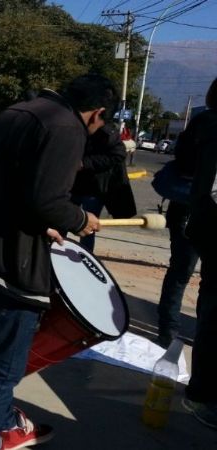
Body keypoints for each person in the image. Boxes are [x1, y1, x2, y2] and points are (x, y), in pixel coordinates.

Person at [0, 74, 113, 450]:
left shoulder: (18, 111)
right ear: (97, 113)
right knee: (1, 370)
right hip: (6, 268)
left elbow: (13, 187)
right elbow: (48, 201)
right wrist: (79, 220)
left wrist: (46, 228)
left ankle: (3, 420)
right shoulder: (67, 128)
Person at [181, 77, 217, 429]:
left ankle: (202, 390)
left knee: (210, 310)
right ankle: (203, 394)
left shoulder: (202, 126)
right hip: (214, 228)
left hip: (204, 228)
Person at [155, 106, 202, 348]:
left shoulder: (197, 124)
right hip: (202, 212)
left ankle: (168, 330)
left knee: (179, 274)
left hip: (183, 211)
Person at [69, 122, 136, 252]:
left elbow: (118, 154)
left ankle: (84, 258)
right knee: (61, 221)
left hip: (94, 188)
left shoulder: (106, 131)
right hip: (73, 185)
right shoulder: (75, 126)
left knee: (88, 227)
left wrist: (85, 163)